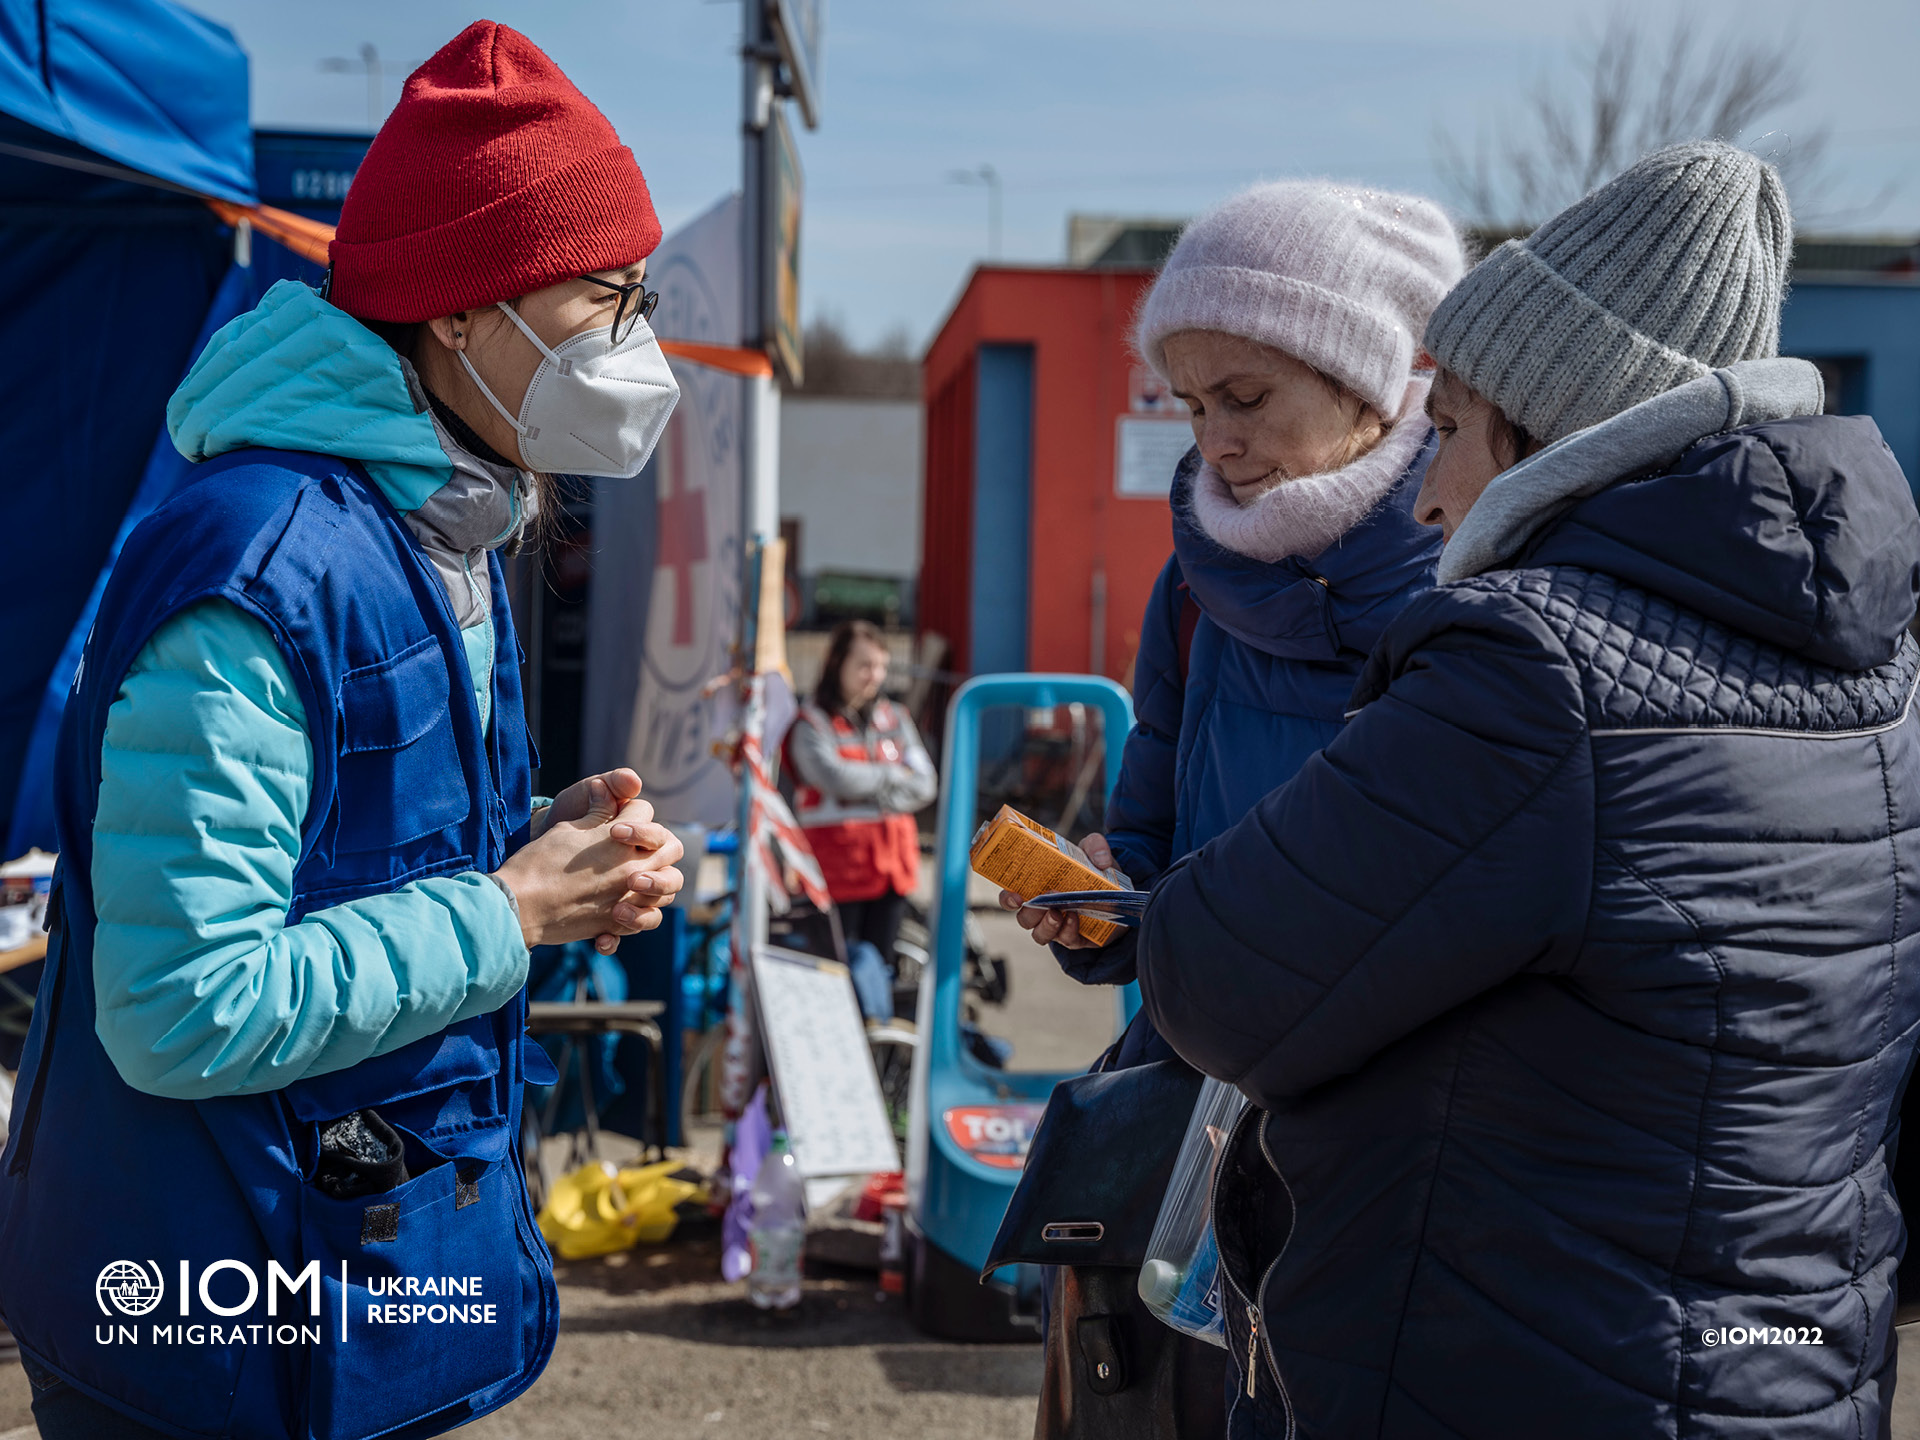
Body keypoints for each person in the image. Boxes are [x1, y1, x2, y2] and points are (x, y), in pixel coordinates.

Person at [1136, 141, 1920, 1438]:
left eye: (1445, 432)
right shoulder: (1883, 668)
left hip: (1525, 1363)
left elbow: (1219, 977)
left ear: (1557, 427)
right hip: (1786, 1363)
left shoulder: (1533, 670)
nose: (1434, 499)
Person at [0, 24, 685, 1440]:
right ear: (463, 312)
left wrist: (541, 855)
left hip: (345, 1294)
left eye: (642, 296)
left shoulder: (438, 528)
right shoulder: (260, 568)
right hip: (207, 1336)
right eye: (602, 296)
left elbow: (344, 857)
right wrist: (507, 912)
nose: (637, 343)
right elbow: (186, 1005)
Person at [997, 182, 1465, 1437]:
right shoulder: (1193, 586)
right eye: (1191, 405)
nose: (1216, 440)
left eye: (1247, 398)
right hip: (1193, 1104)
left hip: (1387, 1136)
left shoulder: (1474, 587)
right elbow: (1146, 836)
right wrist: (1095, 904)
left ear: (1372, 380)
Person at [786, 620, 937, 1023]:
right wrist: (891, 776)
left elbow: (926, 784)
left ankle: (879, 1053)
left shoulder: (895, 717)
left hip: (892, 869)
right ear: (837, 664)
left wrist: (867, 783)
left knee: (880, 974)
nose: (875, 676)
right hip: (838, 873)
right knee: (840, 973)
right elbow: (833, 777)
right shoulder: (811, 723)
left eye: (881, 666)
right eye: (865, 665)